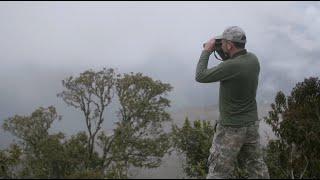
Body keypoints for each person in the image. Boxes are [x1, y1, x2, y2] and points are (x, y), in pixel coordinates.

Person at [195, 26, 270, 179]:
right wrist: (223, 50)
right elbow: (235, 64)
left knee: (218, 172)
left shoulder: (230, 66)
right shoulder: (253, 59)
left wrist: (207, 51)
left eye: (222, 42)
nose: (221, 45)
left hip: (231, 129)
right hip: (251, 125)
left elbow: (200, 76)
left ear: (229, 45)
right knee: (256, 167)